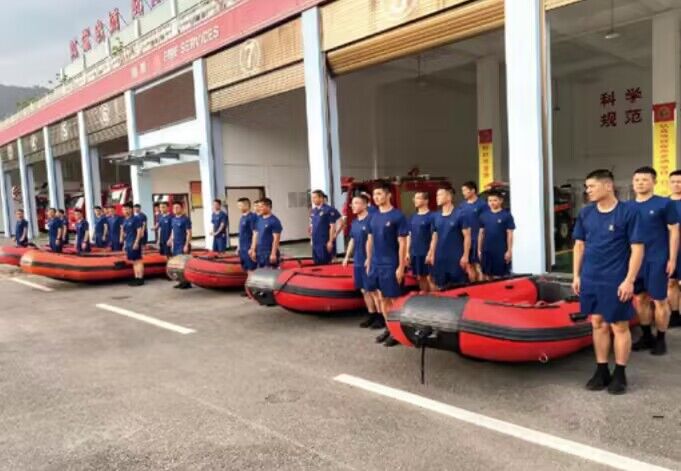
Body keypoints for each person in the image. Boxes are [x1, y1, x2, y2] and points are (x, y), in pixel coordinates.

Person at [572, 169, 643, 395]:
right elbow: (579, 245)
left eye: (592, 186)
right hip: (591, 277)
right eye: (587, 187)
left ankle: (620, 373)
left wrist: (629, 280)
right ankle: (601, 370)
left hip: (616, 279)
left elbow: (637, 248)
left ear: (608, 186)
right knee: (597, 322)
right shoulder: (586, 213)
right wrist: (576, 275)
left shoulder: (628, 212)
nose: (588, 191)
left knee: (619, 325)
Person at [629, 167, 679, 355]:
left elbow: (674, 232)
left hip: (657, 258)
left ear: (654, 182)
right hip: (635, 261)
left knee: (659, 300)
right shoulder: (626, 207)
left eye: (645, 179)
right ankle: (646, 336)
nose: (640, 183)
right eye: (637, 180)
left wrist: (672, 259)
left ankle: (661, 339)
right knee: (640, 298)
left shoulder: (664, 204)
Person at [365, 181, 408, 347]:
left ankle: (398, 332)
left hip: (391, 264)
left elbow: (403, 243)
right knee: (382, 298)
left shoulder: (398, 216)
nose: (376, 197)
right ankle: (389, 328)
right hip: (376, 263)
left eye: (379, 194)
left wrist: (401, 267)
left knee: (394, 299)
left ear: (388, 195)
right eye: (374, 195)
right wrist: (369, 260)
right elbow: (370, 240)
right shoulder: (373, 216)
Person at [343, 194, 379, 328]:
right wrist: (347, 257)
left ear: (365, 205)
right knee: (364, 290)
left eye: (356, 203)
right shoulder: (354, 222)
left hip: (369, 260)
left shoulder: (371, 220)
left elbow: (373, 241)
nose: (353, 206)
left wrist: (369, 259)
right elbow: (352, 240)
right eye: (352, 203)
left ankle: (380, 317)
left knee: (373, 290)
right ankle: (371, 314)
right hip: (358, 260)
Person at [426, 187, 471, 290]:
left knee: (458, 288)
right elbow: (434, 236)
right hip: (440, 258)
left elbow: (467, 236)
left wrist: (465, 256)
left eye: (440, 195)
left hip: (456, 258)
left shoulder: (461, 214)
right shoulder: (435, 216)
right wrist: (431, 253)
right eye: (437, 195)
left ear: (449, 197)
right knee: (440, 286)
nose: (437, 197)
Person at [478, 190, 515, 279]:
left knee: (500, 276)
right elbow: (481, 233)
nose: (492, 203)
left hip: (500, 250)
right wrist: (479, 250)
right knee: (486, 274)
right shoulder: (483, 215)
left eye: (495, 200)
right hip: (487, 250)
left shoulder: (506, 215)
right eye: (490, 200)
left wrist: (509, 250)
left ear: (501, 201)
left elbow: (510, 234)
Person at [457, 181, 487, 281]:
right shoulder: (462, 206)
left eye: (465, 190)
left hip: (478, 240)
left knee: (479, 266)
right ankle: (473, 286)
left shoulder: (482, 205)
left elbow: (485, 223)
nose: (463, 193)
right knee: (469, 266)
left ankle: (482, 287)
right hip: (466, 241)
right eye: (462, 190)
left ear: (473, 191)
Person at [406, 191, 434, 292]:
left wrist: (431, 252)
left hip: (427, 253)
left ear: (426, 201)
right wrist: (407, 252)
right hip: (415, 253)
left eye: (418, 198)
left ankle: (435, 299)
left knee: (430, 278)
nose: (415, 200)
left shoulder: (432, 216)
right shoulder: (413, 217)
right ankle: (425, 299)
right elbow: (409, 235)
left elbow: (435, 236)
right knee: (420, 277)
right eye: (415, 198)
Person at [249, 198, 282, 268]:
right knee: (260, 271)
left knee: (270, 272)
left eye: (261, 206)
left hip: (268, 252)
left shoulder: (274, 221)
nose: (259, 208)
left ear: (268, 207)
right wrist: (253, 249)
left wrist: (273, 253)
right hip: (259, 251)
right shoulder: (259, 219)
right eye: (258, 206)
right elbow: (255, 235)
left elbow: (276, 239)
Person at [310, 190, 341, 265]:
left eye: (315, 197)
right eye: (312, 198)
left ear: (321, 198)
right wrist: (311, 239)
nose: (313, 199)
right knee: (316, 263)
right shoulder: (313, 211)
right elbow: (312, 226)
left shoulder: (329, 210)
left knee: (325, 263)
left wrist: (331, 241)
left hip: (324, 241)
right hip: (315, 241)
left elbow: (332, 226)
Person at [167, 202, 192, 288]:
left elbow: (189, 233)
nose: (175, 209)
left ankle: (187, 283)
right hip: (175, 245)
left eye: (177, 207)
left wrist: (186, 245)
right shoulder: (173, 219)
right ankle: (181, 282)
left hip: (183, 244)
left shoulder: (185, 219)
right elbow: (173, 231)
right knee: (178, 264)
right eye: (174, 208)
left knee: (184, 264)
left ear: (181, 208)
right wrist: (170, 239)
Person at [668, 169, 681, 328]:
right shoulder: (664, 204)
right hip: (670, 250)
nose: (677, 185)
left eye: (680, 182)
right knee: (671, 283)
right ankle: (675, 314)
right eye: (674, 182)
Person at [121, 203, 145, 286]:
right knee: (134, 261)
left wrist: (136, 242)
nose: (124, 211)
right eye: (123, 209)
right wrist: (124, 243)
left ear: (131, 209)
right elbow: (125, 233)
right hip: (128, 243)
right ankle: (136, 277)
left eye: (126, 209)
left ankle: (140, 279)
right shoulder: (125, 220)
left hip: (134, 242)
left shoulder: (136, 219)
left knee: (138, 260)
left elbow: (139, 231)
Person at [237, 198, 258, 273]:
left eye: (240, 205)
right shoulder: (242, 217)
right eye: (238, 205)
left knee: (251, 269)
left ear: (246, 205)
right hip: (242, 248)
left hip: (248, 248)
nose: (238, 207)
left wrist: (252, 249)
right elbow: (241, 233)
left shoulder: (252, 217)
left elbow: (255, 233)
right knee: (246, 269)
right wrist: (238, 247)